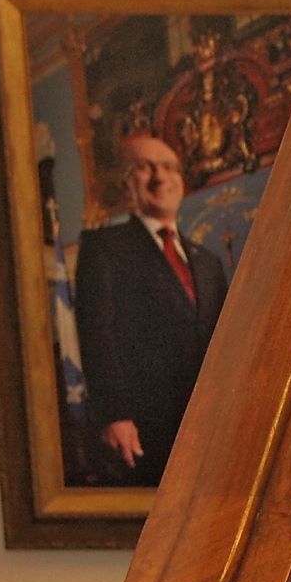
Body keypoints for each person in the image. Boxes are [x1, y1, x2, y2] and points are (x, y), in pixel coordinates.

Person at [73, 131, 230, 487]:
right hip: (143, 433)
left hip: (209, 428)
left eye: (169, 167)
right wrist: (115, 416)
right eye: (145, 167)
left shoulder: (208, 263)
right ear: (128, 184)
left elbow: (225, 343)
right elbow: (99, 334)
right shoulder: (104, 249)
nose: (160, 177)